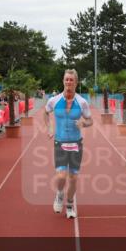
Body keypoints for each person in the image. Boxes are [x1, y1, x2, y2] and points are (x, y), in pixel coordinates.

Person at [43, 68, 93, 219]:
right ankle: (59, 194)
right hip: (60, 142)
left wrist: (83, 124)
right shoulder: (54, 100)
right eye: (66, 79)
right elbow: (45, 112)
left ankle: (70, 204)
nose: (68, 82)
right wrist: (49, 128)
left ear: (76, 83)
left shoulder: (82, 102)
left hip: (76, 143)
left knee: (73, 178)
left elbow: (90, 120)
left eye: (71, 80)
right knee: (61, 176)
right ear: (63, 81)